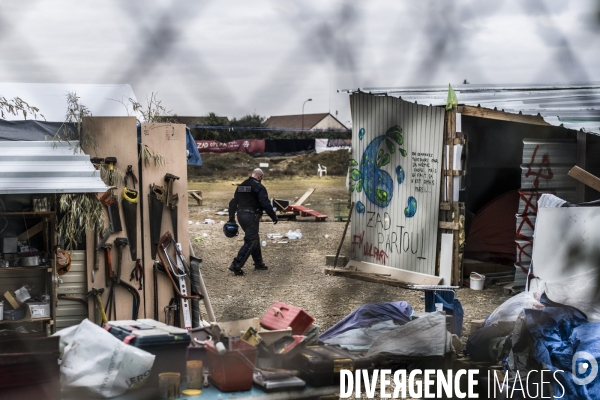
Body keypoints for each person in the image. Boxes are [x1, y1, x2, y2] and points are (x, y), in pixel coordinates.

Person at [227, 168, 278, 275]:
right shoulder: (259, 186)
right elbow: (265, 203)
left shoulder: (241, 186)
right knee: (251, 240)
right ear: (259, 176)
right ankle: (236, 265)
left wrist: (231, 219)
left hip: (240, 216)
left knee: (254, 236)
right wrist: (273, 216)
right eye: (261, 178)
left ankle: (258, 263)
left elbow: (232, 203)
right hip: (251, 216)